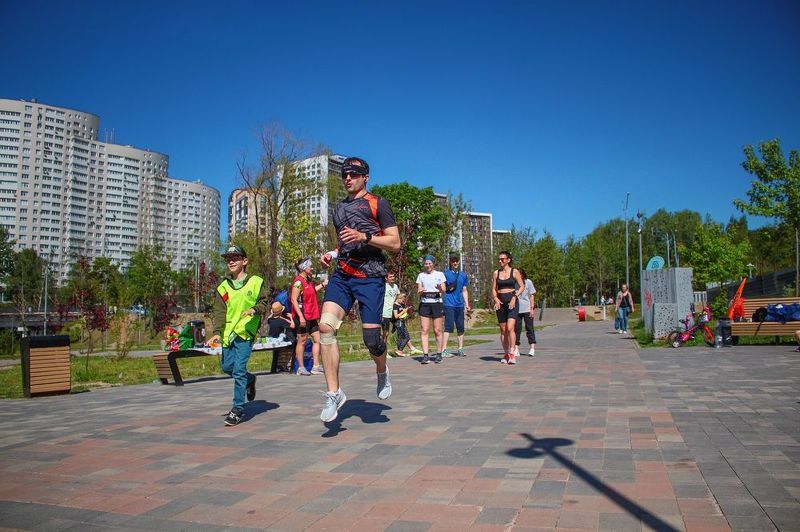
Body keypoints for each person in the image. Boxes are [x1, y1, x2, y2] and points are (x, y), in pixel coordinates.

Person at [318, 156, 400, 423]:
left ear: (365, 177)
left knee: (372, 342)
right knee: (325, 328)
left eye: (353, 174)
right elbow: (345, 243)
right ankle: (334, 393)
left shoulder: (379, 203)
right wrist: (332, 253)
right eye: (344, 174)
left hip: (371, 276)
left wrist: (366, 236)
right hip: (342, 274)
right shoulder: (339, 209)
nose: (348, 178)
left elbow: (395, 243)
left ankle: (381, 369)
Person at [207, 245, 269, 426]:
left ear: (245, 261)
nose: (231, 261)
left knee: (239, 369)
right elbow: (219, 312)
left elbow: (264, 302)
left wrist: (254, 309)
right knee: (228, 368)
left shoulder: (256, 281)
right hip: (228, 335)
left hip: (246, 333)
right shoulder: (223, 287)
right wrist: (217, 333)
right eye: (228, 259)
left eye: (235, 258)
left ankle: (237, 409)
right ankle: (250, 380)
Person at [290, 257, 327, 376]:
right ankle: (301, 367)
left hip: (312, 315)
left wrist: (322, 285)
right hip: (303, 315)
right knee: (302, 341)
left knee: (318, 339)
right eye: (310, 266)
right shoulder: (298, 281)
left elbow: (312, 291)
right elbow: (293, 299)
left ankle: (316, 366)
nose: (312, 268)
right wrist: (300, 317)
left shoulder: (308, 280)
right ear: (304, 268)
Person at [493, 250, 525, 365]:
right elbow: (493, 288)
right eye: (499, 259)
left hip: (512, 301)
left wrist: (515, 296)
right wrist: (496, 298)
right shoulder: (496, 273)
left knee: (510, 328)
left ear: (508, 260)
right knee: (503, 330)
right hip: (500, 302)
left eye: (502, 259)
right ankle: (506, 353)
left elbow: (522, 286)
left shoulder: (514, 271)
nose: (500, 261)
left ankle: (512, 353)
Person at [416, 255, 447, 364]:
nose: (428, 265)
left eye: (429, 263)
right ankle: (425, 355)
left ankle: (439, 354)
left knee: (437, 330)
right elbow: (419, 289)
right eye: (426, 263)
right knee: (424, 330)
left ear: (433, 264)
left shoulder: (440, 274)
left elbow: (444, 290)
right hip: (425, 304)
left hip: (436, 303)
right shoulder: (421, 275)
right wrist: (420, 291)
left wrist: (440, 288)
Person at [442, 254, 470, 357]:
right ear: (450, 262)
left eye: (456, 261)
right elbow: (442, 289)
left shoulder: (463, 275)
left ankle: (460, 349)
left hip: (460, 305)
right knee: (448, 327)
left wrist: (467, 304)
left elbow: (464, 290)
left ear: (459, 262)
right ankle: (444, 349)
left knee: (461, 327)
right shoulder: (446, 274)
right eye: (453, 261)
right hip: (449, 304)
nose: (455, 263)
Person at [514, 268, 537, 357]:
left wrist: (532, 309)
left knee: (530, 328)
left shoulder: (528, 282)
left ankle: (532, 348)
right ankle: (516, 349)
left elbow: (531, 296)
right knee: (516, 330)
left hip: (527, 309)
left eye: (518, 274)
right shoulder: (514, 283)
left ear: (522, 275)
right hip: (516, 309)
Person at [392, 292, 421, 356]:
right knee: (405, 337)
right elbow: (396, 316)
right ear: (399, 298)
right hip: (398, 323)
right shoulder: (395, 305)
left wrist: (407, 311)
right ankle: (399, 350)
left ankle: (401, 351)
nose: (403, 301)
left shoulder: (401, 305)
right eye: (403, 300)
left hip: (402, 322)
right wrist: (403, 311)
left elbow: (403, 313)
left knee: (405, 336)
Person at [381, 272, 400, 344]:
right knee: (386, 333)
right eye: (390, 277)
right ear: (386, 278)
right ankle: (383, 352)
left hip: (393, 312)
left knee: (401, 328)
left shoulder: (395, 286)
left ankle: (408, 349)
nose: (393, 278)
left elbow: (398, 297)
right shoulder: (383, 287)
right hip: (385, 312)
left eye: (393, 276)